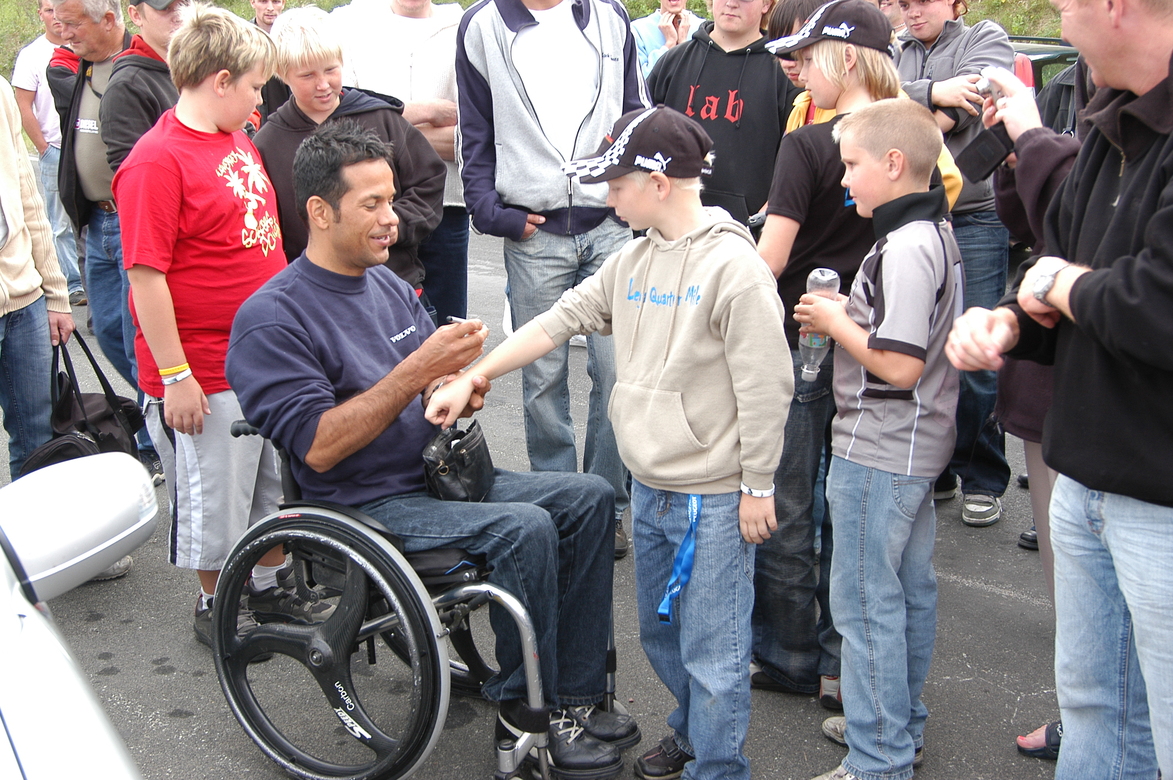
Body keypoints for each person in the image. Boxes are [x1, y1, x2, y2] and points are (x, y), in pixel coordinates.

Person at [226, 120, 638, 780]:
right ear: (319, 212)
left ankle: (576, 697)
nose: (392, 219)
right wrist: (418, 369)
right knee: (524, 528)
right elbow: (318, 448)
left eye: (391, 200)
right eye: (371, 204)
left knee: (589, 497)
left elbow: (424, 387)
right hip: (363, 506)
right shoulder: (272, 318)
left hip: (437, 476)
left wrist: (454, 388)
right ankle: (524, 718)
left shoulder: (387, 285)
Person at [428, 105, 792, 780]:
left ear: (659, 183)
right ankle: (692, 735)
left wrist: (758, 486)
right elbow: (557, 321)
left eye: (617, 185)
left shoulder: (735, 269)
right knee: (661, 635)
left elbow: (767, 385)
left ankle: (718, 767)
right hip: (648, 486)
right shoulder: (633, 260)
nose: (608, 199)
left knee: (713, 651)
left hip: (713, 499)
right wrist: (475, 374)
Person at [947, 0, 1173, 769]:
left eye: (1068, 2)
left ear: (1115, 7)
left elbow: (1156, 304)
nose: (1055, 12)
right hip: (1083, 480)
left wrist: (1058, 285)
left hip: (1160, 506)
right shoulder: (1110, 120)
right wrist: (1010, 322)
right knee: (1093, 711)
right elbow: (1058, 265)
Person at [112, 3, 326, 646]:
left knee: (265, 485)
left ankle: (267, 586)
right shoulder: (157, 161)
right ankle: (218, 604)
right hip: (204, 368)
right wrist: (176, 375)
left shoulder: (234, 138)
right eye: (256, 86)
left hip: (258, 358)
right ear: (222, 79)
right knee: (216, 498)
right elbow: (146, 277)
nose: (262, 100)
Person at [790, 97, 961, 780]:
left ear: (894, 164)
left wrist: (836, 324)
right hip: (915, 444)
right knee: (905, 591)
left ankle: (878, 756)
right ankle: (895, 728)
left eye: (852, 165)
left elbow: (899, 364)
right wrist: (849, 312)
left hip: (881, 446)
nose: (844, 180)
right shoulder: (928, 231)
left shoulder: (906, 247)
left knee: (864, 603)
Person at [751, 0, 905, 712]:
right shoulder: (913, 140)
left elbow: (770, 258)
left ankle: (790, 655)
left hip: (800, 337)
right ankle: (844, 665)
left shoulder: (810, 144)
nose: (799, 71)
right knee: (852, 510)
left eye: (808, 58)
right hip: (878, 343)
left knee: (785, 500)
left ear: (846, 59)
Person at [456, 0, 649, 557]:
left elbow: (635, 112)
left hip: (610, 224)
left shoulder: (610, 15)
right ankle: (562, 506)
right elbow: (475, 127)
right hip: (533, 231)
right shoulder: (483, 24)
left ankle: (609, 507)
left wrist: (632, 202)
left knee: (617, 373)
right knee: (542, 380)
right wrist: (492, 212)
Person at [895, 0, 1014, 527]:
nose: (911, 10)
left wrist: (919, 101)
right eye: (903, 3)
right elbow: (872, 111)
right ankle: (938, 468)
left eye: (922, 0)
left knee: (977, 351)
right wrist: (934, 92)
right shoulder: (894, 48)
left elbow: (962, 108)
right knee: (919, 347)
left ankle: (982, 476)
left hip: (975, 216)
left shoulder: (984, 37)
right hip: (914, 216)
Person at [253, 6, 446, 301]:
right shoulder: (267, 144)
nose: (323, 84)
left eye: (331, 70)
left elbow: (429, 179)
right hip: (314, 296)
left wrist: (396, 224)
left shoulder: (382, 118)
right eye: (307, 75)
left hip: (395, 286)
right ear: (282, 74)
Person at [332, 0, 470, 323]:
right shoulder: (349, 23)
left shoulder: (463, 26)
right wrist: (426, 112)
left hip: (446, 205)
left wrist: (385, 127)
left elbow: (474, 134)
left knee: (448, 327)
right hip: (370, 203)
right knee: (381, 325)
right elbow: (343, 120)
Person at [646, 0, 798, 224]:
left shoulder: (784, 73)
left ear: (766, 4)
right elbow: (640, 142)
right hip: (671, 224)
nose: (731, 3)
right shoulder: (673, 62)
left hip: (746, 231)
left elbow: (796, 163)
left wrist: (763, 218)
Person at [0, 76, 75, 479]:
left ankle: (33, 522)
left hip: (24, 297)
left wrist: (55, 294)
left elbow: (28, 197)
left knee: (39, 441)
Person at [12, 0, 85, 306]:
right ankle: (74, 284)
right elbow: (23, 105)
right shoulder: (32, 55)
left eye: (60, 10)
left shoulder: (86, 46)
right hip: (55, 148)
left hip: (86, 148)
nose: (56, 18)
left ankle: (92, 277)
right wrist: (42, 147)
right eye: (49, 10)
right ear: (40, 14)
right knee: (60, 223)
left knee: (93, 217)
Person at [100, 0, 186, 173]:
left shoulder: (202, 67)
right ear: (136, 15)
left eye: (184, 5)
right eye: (166, 8)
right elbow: (134, 174)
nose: (178, 15)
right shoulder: (126, 87)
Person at [629, 0, 706, 77]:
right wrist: (669, 44)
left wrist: (684, 45)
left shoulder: (704, 28)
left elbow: (705, 77)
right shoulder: (637, 29)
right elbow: (639, 79)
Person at [248, 0, 290, 123]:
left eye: (276, 2)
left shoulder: (295, 38)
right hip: (253, 121)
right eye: (263, 1)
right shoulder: (241, 40)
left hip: (288, 121)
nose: (270, 8)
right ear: (253, 2)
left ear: (283, 3)